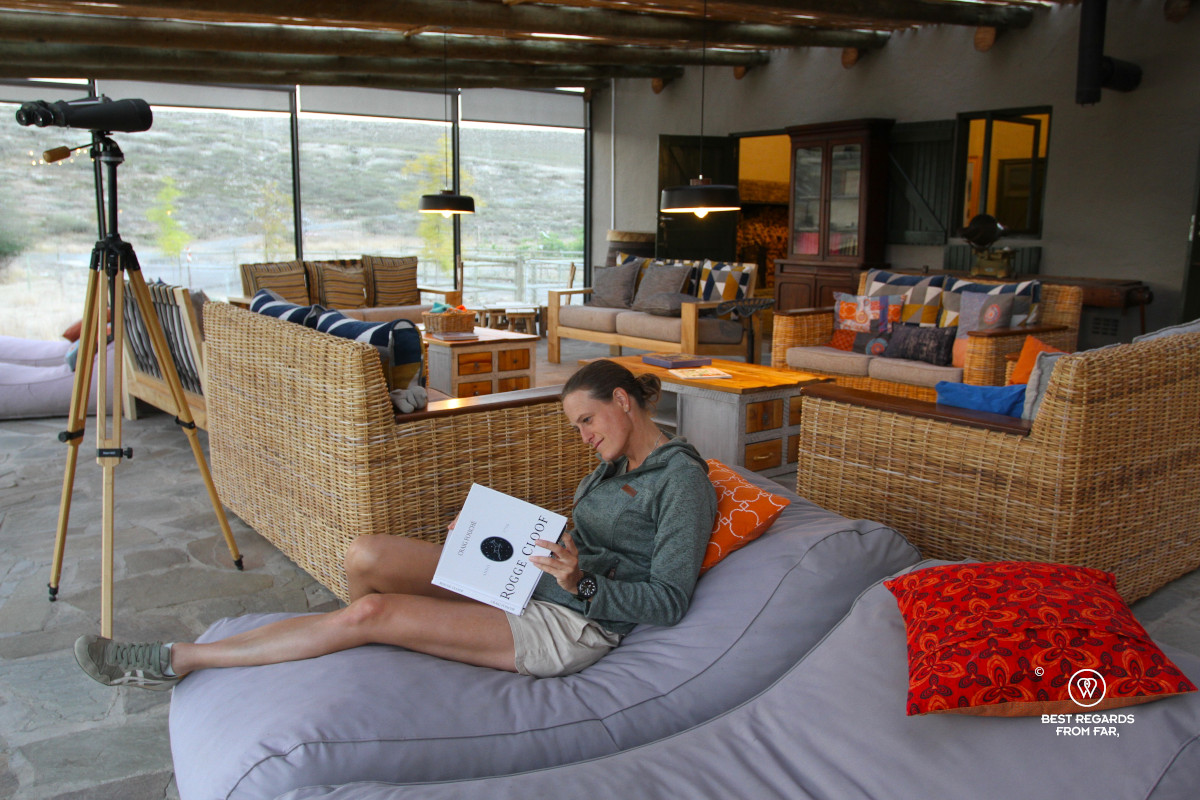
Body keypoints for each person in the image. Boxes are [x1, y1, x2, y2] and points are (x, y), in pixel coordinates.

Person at [74, 358, 718, 687]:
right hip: (537, 580)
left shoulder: (681, 481)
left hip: (573, 624)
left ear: (623, 402)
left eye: (587, 421)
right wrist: (529, 537)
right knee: (365, 555)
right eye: (576, 425)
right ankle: (364, 652)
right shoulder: (612, 465)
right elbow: (592, 539)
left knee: (372, 611)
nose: (582, 436)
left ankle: (175, 660)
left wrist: (582, 582)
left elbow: (668, 599)